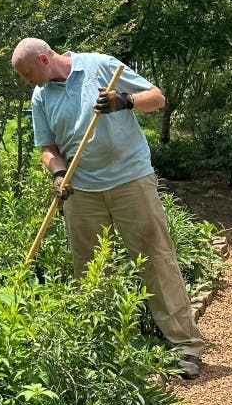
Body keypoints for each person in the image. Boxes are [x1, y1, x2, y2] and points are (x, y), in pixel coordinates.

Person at [11, 37, 205, 379]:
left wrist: (124, 101)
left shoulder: (100, 66)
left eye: (27, 73)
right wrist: (58, 173)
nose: (27, 81)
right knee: (91, 270)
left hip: (131, 180)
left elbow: (157, 98)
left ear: (43, 58)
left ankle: (186, 345)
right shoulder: (41, 96)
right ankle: (105, 348)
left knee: (156, 260)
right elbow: (47, 147)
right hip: (81, 190)